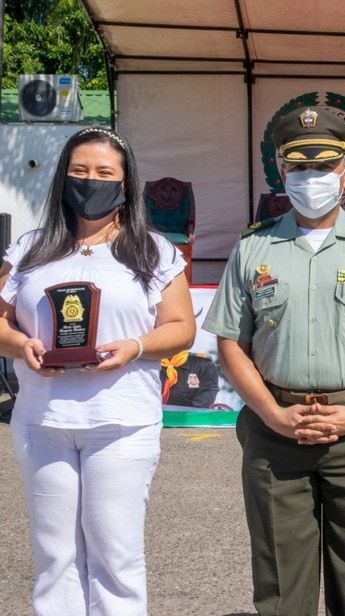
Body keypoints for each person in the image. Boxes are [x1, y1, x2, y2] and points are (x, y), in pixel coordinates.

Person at [203, 106, 345, 616]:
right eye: (300, 168)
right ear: (283, 174)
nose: (312, 178)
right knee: (282, 580)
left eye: (324, 168)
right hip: (275, 431)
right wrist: (271, 414)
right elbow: (230, 344)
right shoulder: (252, 247)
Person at [0, 127, 196, 615]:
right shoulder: (29, 248)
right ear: (62, 179)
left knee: (115, 556)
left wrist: (135, 346)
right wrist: (22, 344)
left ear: (126, 184)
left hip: (122, 424)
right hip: (42, 423)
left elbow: (181, 328)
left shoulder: (153, 250)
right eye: (80, 172)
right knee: (54, 556)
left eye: (105, 173)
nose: (92, 181)